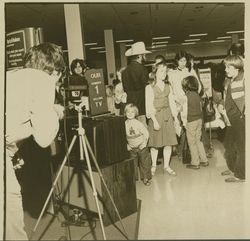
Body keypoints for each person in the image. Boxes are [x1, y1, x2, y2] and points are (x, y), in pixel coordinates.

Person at [5, 42, 66, 240]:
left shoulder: (11, 76)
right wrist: (55, 112)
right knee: (11, 220)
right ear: (55, 72)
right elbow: (44, 138)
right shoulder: (43, 81)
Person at [168, 50, 201, 162]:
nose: (182, 63)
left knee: (189, 128)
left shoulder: (190, 72)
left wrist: (190, 96)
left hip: (189, 104)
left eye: (184, 60)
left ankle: (188, 154)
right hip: (178, 105)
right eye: (180, 60)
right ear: (176, 61)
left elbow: (199, 87)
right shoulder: (172, 73)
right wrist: (176, 101)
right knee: (180, 129)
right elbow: (171, 90)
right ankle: (181, 152)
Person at [146, 63, 178, 176]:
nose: (163, 73)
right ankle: (154, 165)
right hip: (156, 116)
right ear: (155, 73)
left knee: (168, 143)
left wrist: (175, 118)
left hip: (167, 116)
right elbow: (149, 105)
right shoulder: (149, 87)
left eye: (165, 71)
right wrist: (154, 120)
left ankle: (166, 166)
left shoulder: (168, 86)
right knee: (155, 144)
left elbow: (172, 103)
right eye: (161, 71)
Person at [217, 55, 245, 182]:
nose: (226, 69)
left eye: (229, 67)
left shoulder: (243, 79)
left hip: (239, 118)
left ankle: (241, 174)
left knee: (241, 147)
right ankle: (233, 168)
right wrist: (221, 105)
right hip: (230, 118)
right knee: (229, 145)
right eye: (226, 67)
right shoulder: (230, 80)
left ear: (237, 68)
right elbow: (227, 98)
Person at [181, 75, 209, 169]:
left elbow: (184, 112)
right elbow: (201, 109)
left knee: (191, 143)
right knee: (198, 141)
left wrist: (184, 122)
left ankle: (195, 162)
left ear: (186, 86)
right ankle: (204, 160)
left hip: (191, 121)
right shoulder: (197, 95)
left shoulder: (186, 96)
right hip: (199, 120)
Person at [122, 41, 151, 126]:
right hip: (142, 106)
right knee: (143, 128)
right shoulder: (143, 69)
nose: (145, 57)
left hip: (130, 107)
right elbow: (146, 88)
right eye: (144, 55)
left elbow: (125, 89)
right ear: (139, 56)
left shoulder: (124, 71)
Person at [124, 103, 152, 186]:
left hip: (141, 147)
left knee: (145, 163)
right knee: (132, 164)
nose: (130, 114)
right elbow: (122, 136)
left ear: (136, 113)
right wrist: (127, 145)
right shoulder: (124, 124)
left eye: (132, 112)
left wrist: (144, 142)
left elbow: (146, 133)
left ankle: (146, 178)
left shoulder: (138, 123)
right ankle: (133, 179)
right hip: (132, 148)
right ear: (125, 113)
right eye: (128, 112)